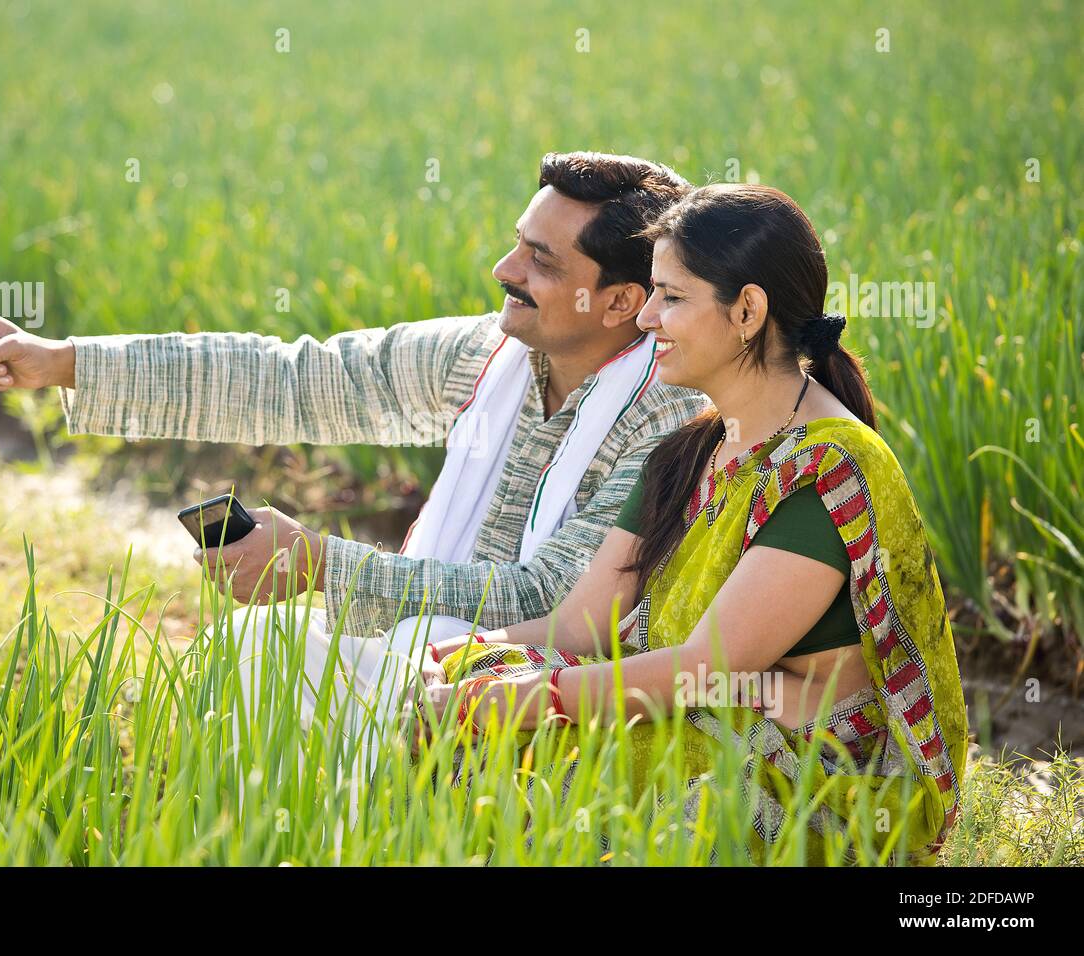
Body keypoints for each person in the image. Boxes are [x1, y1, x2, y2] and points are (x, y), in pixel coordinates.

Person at [0, 152, 707, 765]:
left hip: (553, 695)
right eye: (516, 245)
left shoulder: (669, 417)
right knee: (254, 660)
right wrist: (66, 361)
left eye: (542, 260)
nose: (505, 271)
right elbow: (294, 380)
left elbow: (552, 600)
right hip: (435, 653)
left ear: (622, 303)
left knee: (272, 667)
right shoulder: (488, 355)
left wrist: (323, 565)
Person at [414, 183, 968, 863]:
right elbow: (581, 626)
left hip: (806, 767)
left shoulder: (825, 472)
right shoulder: (686, 453)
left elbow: (704, 668)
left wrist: (538, 699)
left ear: (747, 310)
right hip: (713, 705)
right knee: (473, 673)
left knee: (573, 755)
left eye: (670, 297)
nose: (645, 319)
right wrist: (454, 654)